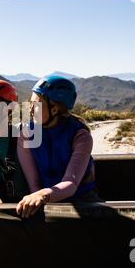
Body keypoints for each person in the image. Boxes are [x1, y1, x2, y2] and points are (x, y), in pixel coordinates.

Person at [16, 75, 99, 218]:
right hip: (42, 199)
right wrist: (38, 196)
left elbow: (70, 184)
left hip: (82, 201)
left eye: (35, 104)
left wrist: (42, 195)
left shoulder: (80, 136)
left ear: (54, 108)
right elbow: (34, 184)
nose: (29, 109)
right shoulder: (27, 134)